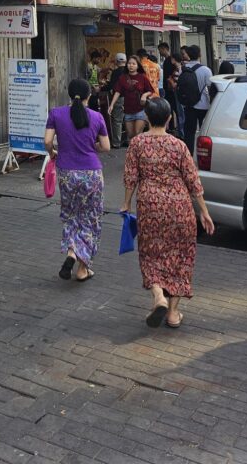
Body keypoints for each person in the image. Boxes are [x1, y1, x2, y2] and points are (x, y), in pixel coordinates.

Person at [122, 98, 214, 328]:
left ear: (146, 118)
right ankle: (173, 314)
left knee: (151, 254)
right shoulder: (179, 145)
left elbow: (130, 177)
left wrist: (126, 204)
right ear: (169, 118)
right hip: (179, 207)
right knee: (181, 257)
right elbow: (193, 181)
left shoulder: (137, 144)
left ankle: (158, 296)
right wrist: (204, 212)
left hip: (150, 206)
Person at [45, 78, 111, 282]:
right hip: (91, 172)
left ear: (69, 93)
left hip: (66, 172)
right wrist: (92, 148)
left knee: (72, 215)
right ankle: (83, 268)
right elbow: (106, 147)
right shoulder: (97, 117)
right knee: (90, 218)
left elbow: (47, 141)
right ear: (89, 96)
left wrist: (54, 152)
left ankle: (71, 252)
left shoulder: (56, 113)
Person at [107, 55, 155, 142]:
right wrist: (112, 105)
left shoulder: (142, 77)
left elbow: (151, 90)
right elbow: (117, 91)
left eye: (133, 64)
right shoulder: (122, 78)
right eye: (129, 63)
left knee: (137, 132)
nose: (131, 65)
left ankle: (139, 153)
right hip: (128, 110)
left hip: (140, 110)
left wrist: (144, 95)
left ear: (137, 66)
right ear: (126, 65)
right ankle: (134, 153)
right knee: (131, 135)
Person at [178, 45, 213, 154]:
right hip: (204, 105)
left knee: (189, 132)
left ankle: (188, 156)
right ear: (199, 55)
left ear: (188, 55)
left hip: (189, 106)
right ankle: (203, 153)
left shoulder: (182, 69)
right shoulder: (206, 70)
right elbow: (210, 87)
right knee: (205, 131)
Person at [103, 53, 127, 149]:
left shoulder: (116, 72)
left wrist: (101, 88)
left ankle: (116, 142)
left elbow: (112, 86)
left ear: (116, 62)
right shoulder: (130, 70)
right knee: (129, 118)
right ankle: (129, 140)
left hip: (119, 98)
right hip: (131, 98)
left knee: (117, 120)